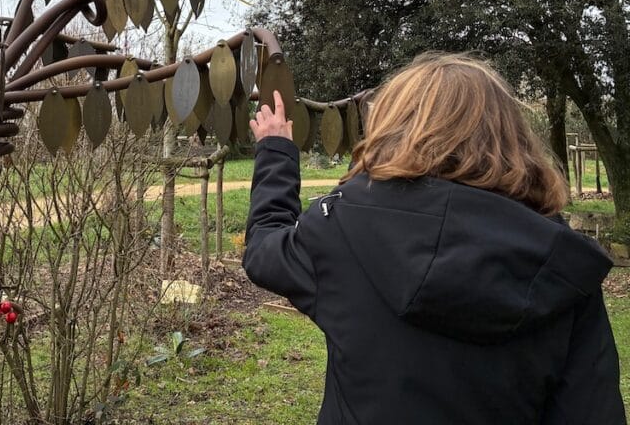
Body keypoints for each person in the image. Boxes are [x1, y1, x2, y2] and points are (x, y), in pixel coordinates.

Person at [243, 53, 625, 424]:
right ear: (513, 139)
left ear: (396, 130)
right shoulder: (561, 263)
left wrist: (276, 150)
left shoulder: (342, 231)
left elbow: (264, 249)